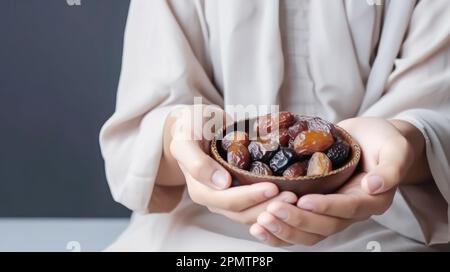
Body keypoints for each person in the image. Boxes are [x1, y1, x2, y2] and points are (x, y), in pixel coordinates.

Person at [100, 0, 450, 251]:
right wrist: (184, 140)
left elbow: (436, 115)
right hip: (197, 233)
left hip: (385, 231)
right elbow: (138, 142)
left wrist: (407, 141)